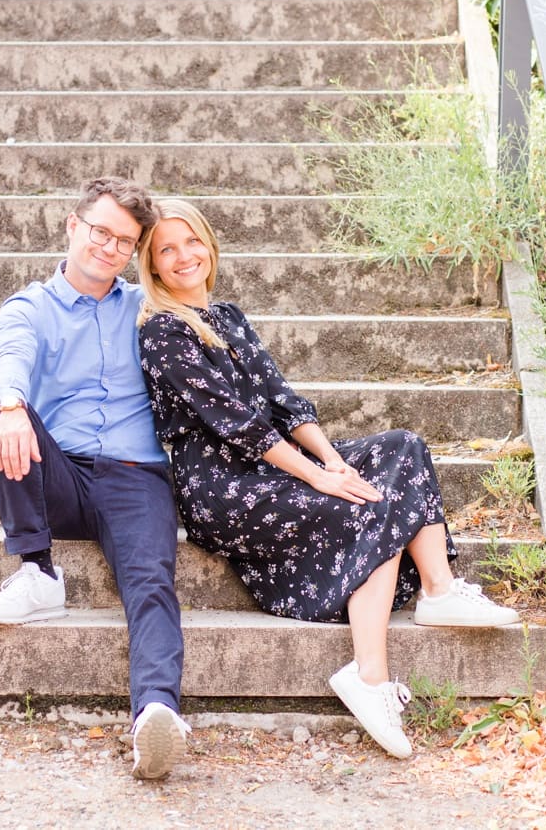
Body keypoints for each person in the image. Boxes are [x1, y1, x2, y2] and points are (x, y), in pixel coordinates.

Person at [134, 198, 518, 760]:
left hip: (275, 462)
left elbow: (282, 402)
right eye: (167, 249)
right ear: (153, 265)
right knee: (368, 506)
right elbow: (239, 426)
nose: (183, 256)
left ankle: (439, 589)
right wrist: (317, 476)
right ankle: (369, 678)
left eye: (191, 241)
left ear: (209, 245)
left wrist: (332, 460)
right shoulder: (163, 332)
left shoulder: (230, 317)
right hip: (221, 487)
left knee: (402, 448)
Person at [0, 176, 190, 780]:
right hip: (59, 473)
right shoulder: (30, 307)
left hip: (135, 477)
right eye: (100, 232)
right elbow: (10, 358)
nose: (109, 247)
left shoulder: (148, 307)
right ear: (73, 226)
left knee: (150, 580)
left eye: (124, 241)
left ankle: (157, 715)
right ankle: (37, 571)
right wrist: (14, 406)